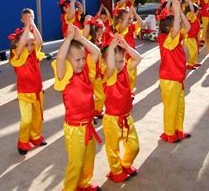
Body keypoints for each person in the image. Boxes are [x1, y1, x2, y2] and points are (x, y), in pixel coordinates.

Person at [52, 24, 102, 191]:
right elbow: (59, 58)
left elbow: (96, 52)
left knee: (88, 160)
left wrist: (81, 39)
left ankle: (84, 184)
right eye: (77, 60)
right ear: (67, 61)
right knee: (76, 163)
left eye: (82, 59)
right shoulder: (64, 77)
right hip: (74, 129)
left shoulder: (87, 71)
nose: (81, 63)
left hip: (88, 125)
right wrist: (68, 39)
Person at [102, 34, 142, 183]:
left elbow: (138, 58)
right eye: (115, 61)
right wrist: (111, 47)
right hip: (112, 120)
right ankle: (116, 171)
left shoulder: (125, 69)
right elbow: (111, 67)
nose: (119, 64)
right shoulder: (107, 75)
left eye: (121, 61)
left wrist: (126, 46)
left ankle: (125, 164)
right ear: (105, 61)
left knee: (134, 146)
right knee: (113, 149)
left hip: (126, 117)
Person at [9, 12, 46, 155]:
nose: (30, 46)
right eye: (27, 44)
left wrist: (33, 25)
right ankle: (23, 142)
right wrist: (26, 29)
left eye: (31, 44)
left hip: (37, 91)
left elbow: (40, 41)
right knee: (27, 119)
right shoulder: (17, 55)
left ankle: (36, 137)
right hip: (25, 93)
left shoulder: (34, 54)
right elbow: (22, 45)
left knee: (38, 117)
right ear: (19, 44)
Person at [157, 0, 191, 143]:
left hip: (178, 77)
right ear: (169, 28)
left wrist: (179, 11)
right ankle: (169, 133)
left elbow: (188, 26)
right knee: (171, 107)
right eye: (176, 23)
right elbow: (177, 29)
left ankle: (178, 129)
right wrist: (176, 12)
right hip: (169, 78)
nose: (180, 26)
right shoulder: (164, 39)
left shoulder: (175, 37)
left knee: (179, 106)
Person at [113, 6, 142, 94]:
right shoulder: (119, 28)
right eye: (127, 19)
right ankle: (125, 93)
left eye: (131, 19)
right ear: (120, 20)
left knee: (132, 77)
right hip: (124, 59)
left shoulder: (131, 27)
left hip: (132, 56)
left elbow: (141, 23)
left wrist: (135, 14)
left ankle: (130, 92)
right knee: (125, 77)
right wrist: (129, 13)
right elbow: (122, 27)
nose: (130, 21)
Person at [82, 15, 106, 119]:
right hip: (88, 71)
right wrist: (88, 21)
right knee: (88, 95)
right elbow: (83, 35)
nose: (100, 35)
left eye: (101, 32)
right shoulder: (87, 40)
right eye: (98, 32)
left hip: (97, 72)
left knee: (101, 94)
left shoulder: (99, 41)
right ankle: (89, 114)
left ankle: (97, 110)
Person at [183, 0, 201, 70]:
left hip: (194, 36)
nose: (198, 12)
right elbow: (192, 10)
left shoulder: (195, 17)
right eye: (197, 10)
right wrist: (190, 2)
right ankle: (190, 64)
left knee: (196, 50)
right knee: (193, 51)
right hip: (190, 37)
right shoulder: (190, 16)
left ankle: (194, 62)